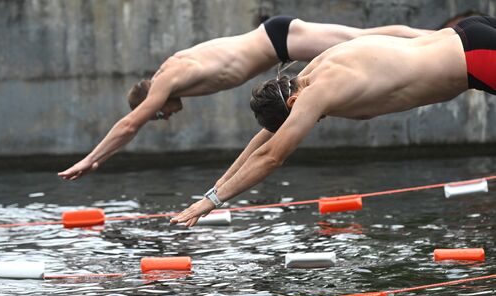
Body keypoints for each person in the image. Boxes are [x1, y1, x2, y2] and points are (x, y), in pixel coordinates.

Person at [170, 16, 496, 227]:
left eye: (308, 118)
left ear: (294, 103)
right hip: (467, 32)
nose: (316, 120)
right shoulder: (311, 69)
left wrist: (211, 204)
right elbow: (262, 141)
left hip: (477, 60)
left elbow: (271, 156)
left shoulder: (316, 94)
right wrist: (212, 192)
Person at [58, 16, 431, 180]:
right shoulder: (174, 75)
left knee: (363, 37)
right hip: (277, 42)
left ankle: (441, 39)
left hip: (278, 39)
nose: (163, 117)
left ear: (147, 101)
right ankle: (438, 40)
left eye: (156, 115)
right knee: (363, 37)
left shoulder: (167, 78)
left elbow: (128, 125)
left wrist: (92, 160)